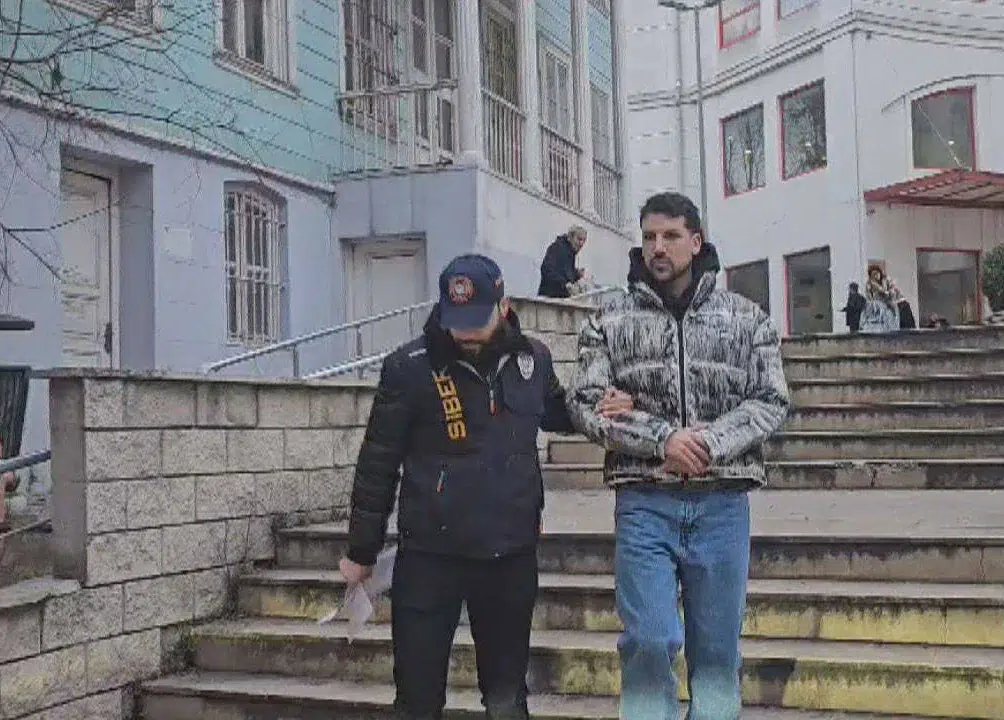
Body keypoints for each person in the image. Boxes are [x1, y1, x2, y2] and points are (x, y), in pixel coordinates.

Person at [339, 253, 632, 719]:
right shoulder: (409, 368)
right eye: (457, 321)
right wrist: (361, 550)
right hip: (429, 556)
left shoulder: (532, 358)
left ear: (503, 306)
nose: (466, 332)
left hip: (509, 555)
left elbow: (558, 411)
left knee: (506, 697)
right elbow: (377, 463)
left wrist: (600, 405)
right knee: (417, 698)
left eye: (477, 320)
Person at [566, 192, 791, 720]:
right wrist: (662, 438)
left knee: (716, 654)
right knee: (647, 640)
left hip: (722, 503)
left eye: (670, 236)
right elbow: (585, 402)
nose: (658, 247)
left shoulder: (746, 318)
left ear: (696, 240)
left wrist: (707, 444)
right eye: (649, 237)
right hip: (645, 502)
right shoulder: (609, 321)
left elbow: (771, 399)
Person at [538, 225, 589, 298]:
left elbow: (565, 273)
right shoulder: (557, 248)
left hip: (558, 298)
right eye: (579, 239)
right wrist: (565, 285)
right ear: (570, 237)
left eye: (584, 241)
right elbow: (547, 270)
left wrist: (577, 274)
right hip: (549, 297)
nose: (581, 244)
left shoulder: (570, 253)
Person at [860, 264, 901, 334]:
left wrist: (888, 294)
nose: (875, 276)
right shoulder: (869, 283)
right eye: (873, 275)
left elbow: (893, 290)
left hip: (888, 302)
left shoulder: (886, 279)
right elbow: (868, 295)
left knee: (892, 315)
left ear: (880, 272)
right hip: (877, 303)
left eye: (876, 273)